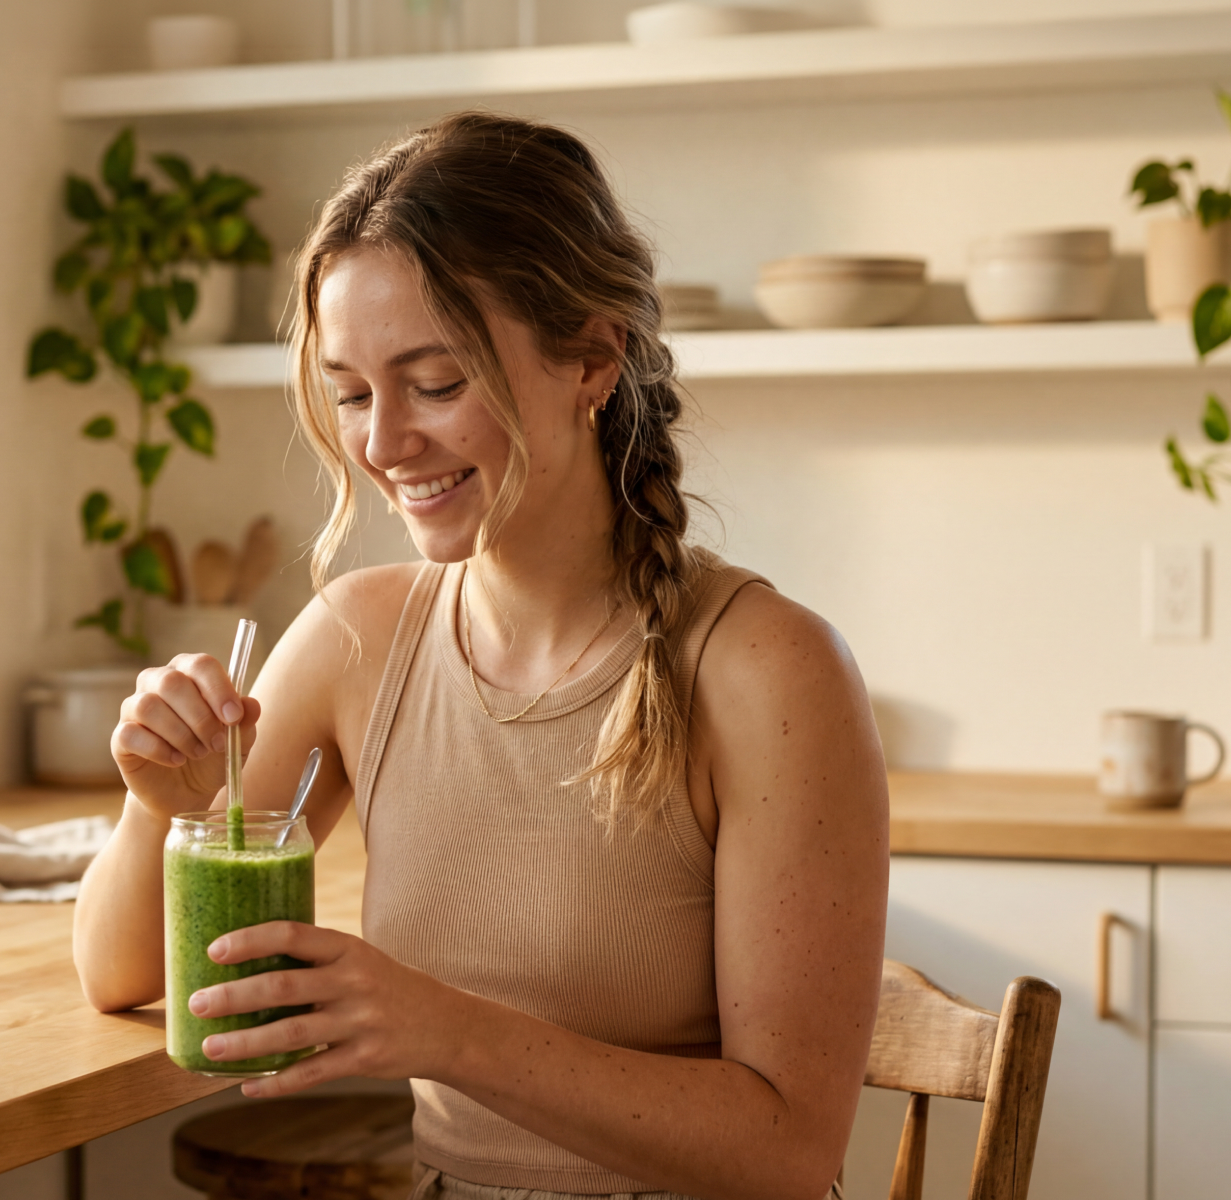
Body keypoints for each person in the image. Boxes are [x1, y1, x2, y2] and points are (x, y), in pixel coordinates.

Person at [73, 112, 888, 1200]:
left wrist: (447, 1032)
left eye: (437, 384)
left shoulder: (767, 669)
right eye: (354, 393)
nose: (381, 443)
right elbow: (120, 972)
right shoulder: (359, 640)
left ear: (591, 358)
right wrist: (162, 809)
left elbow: (788, 1154)